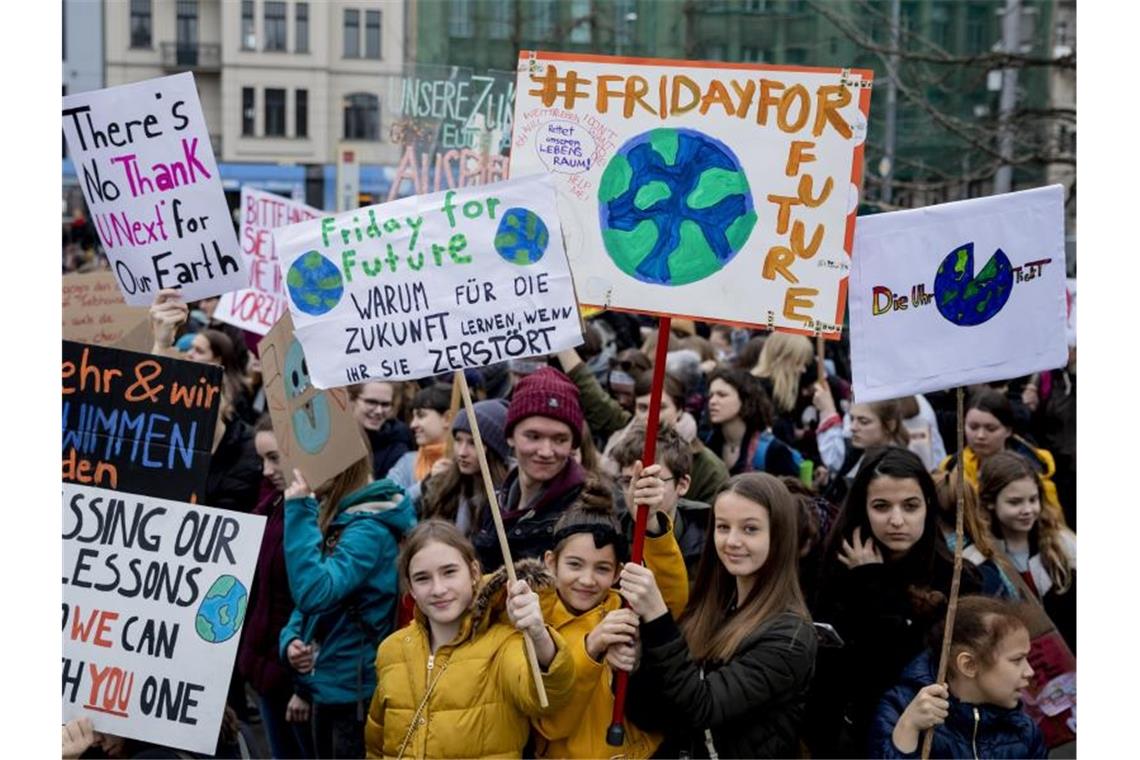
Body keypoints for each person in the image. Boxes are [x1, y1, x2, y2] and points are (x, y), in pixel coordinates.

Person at [620, 472, 818, 759]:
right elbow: (654, 715)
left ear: (779, 535)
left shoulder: (790, 638)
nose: (732, 541)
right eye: (723, 527)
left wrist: (657, 617)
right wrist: (636, 663)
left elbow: (703, 708)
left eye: (750, 529)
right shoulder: (710, 608)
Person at [808, 447, 984, 757]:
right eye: (881, 506)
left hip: (927, 740)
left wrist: (873, 581)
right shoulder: (834, 565)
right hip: (847, 738)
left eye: (910, 506)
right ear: (863, 508)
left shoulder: (958, 579)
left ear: (927, 506)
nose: (896, 520)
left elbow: (908, 664)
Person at [363, 520, 575, 758]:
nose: (438, 589)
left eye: (449, 572)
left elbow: (546, 697)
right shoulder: (391, 650)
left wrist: (538, 634)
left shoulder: (504, 645)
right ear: (410, 588)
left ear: (474, 573)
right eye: (423, 578)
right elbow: (376, 744)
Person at [532, 471, 690, 759]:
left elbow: (670, 597)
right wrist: (592, 648)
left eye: (602, 569)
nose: (587, 580)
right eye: (575, 565)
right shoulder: (537, 623)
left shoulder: (625, 607)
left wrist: (652, 525)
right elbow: (552, 723)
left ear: (618, 571)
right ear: (551, 563)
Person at [279, 462, 416, 759]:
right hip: (327, 683)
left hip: (354, 692)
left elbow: (314, 592)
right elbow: (311, 602)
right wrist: (290, 639)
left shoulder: (367, 530)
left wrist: (300, 509)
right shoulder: (344, 515)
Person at [868, 596, 1045, 759]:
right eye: (1017, 660)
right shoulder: (901, 710)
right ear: (969, 665)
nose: (1029, 671)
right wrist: (908, 728)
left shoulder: (1023, 730)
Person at [236, 416, 313, 759]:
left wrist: (305, 689)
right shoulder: (273, 505)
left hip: (296, 678)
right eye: (262, 459)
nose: (266, 470)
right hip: (266, 671)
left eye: (275, 458)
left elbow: (318, 605)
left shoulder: (316, 515)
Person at [471, 367, 588, 571]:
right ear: (510, 436)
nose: (545, 451)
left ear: (573, 444)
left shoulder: (587, 511)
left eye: (560, 439)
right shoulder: (494, 500)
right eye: (533, 436)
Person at [977, 452, 1076, 650]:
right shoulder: (981, 555)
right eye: (1015, 502)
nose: (1028, 509)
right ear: (990, 502)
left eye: (1033, 499)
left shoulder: (1063, 545)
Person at [939, 389, 1067, 524]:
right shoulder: (950, 466)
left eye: (990, 428)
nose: (980, 435)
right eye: (973, 427)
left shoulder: (1033, 469)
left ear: (1008, 431)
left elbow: (1054, 523)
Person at [612, 421, 709, 578]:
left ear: (682, 485)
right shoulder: (611, 534)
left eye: (650, 480)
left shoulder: (708, 537)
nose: (637, 491)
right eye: (627, 481)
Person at [420, 399, 511, 536]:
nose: (462, 452)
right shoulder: (441, 488)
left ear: (494, 450)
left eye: (473, 443)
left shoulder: (507, 500)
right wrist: (426, 484)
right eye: (458, 440)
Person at [704, 367, 804, 479]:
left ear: (745, 399)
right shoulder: (709, 442)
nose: (712, 401)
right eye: (710, 395)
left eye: (722, 395)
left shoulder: (773, 451)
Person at [816, 395, 910, 506]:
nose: (853, 427)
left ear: (890, 425)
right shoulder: (858, 451)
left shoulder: (893, 470)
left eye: (863, 421)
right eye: (852, 419)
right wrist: (826, 483)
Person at [386, 384, 454, 506]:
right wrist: (425, 484)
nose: (413, 424)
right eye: (413, 416)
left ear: (447, 418)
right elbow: (387, 503)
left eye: (421, 415)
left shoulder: (467, 461)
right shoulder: (407, 462)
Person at [349, 381, 414, 481]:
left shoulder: (397, 446)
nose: (379, 411)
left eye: (385, 404)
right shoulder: (332, 437)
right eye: (371, 402)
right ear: (351, 400)